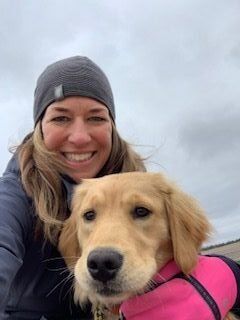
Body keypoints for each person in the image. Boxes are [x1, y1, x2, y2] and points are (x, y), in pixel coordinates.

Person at [0, 56, 239, 319]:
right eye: (60, 118)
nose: (79, 137)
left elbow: (187, 254)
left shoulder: (141, 181)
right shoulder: (13, 195)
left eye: (95, 118)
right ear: (40, 128)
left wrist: (229, 276)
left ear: (111, 126)